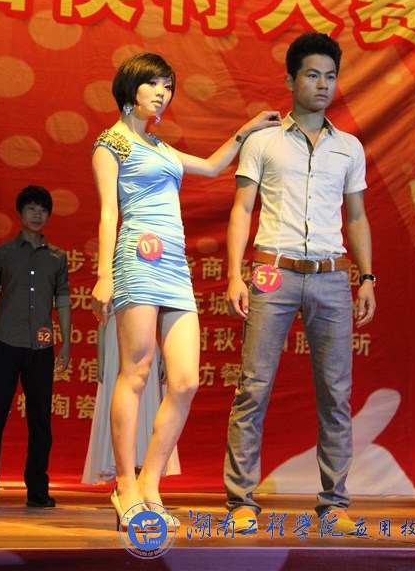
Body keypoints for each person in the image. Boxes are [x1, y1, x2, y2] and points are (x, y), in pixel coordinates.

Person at [90, 52, 281, 529]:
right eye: (153, 83)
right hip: (137, 259)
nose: (162, 93)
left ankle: (150, 482)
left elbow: (214, 166)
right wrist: (104, 275)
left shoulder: (160, 146)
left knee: (185, 381)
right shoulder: (111, 143)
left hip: (174, 267)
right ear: (130, 88)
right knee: (136, 372)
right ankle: (126, 487)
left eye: (168, 86)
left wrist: (247, 129)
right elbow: (109, 212)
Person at [223, 32, 377, 535]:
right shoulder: (263, 141)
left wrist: (367, 278)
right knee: (254, 386)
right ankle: (241, 501)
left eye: (330, 76)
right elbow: (242, 209)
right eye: (312, 75)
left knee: (336, 392)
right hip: (272, 270)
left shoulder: (349, 147)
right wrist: (234, 273)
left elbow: (357, 217)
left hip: (331, 276)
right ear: (290, 80)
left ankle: (334, 504)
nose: (323, 85)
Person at [0, 185, 72, 508]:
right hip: (5, 344)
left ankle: (38, 490)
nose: (37, 215)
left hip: (41, 348)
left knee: (41, 420)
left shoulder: (57, 258)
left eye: (43, 210)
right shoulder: (1, 254)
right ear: (19, 213)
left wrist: (66, 343)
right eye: (31, 209)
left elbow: (63, 301)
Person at [82, 309, 180, 484]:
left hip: (148, 337)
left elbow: (163, 317)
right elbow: (102, 322)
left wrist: (164, 358)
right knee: (118, 403)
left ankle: (142, 475)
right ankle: (123, 476)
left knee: (146, 405)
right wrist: (101, 359)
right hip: (116, 340)